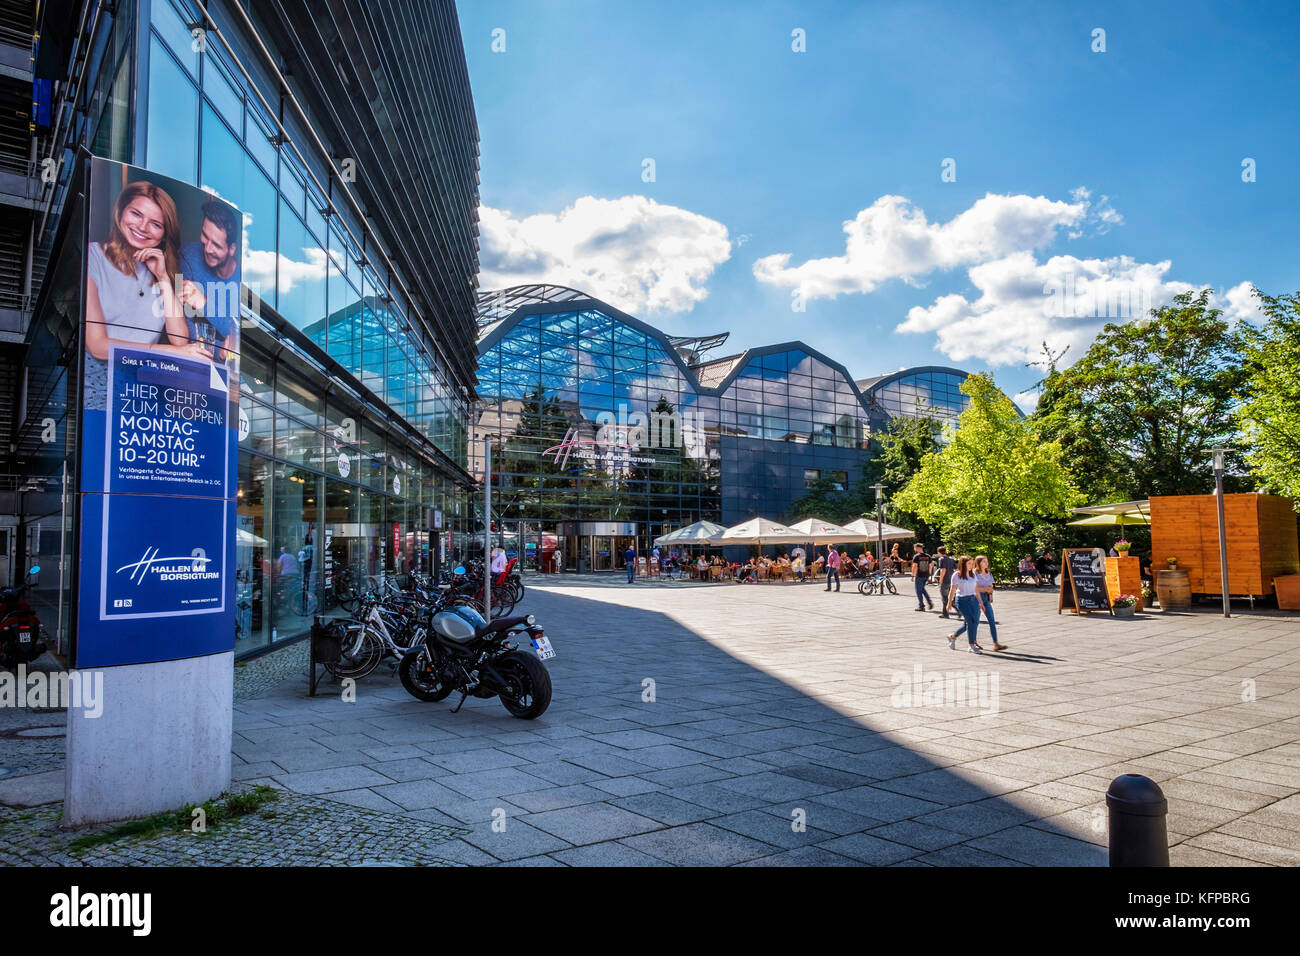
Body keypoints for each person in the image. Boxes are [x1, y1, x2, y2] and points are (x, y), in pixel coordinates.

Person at [84, 180, 211, 410]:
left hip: (143, 385)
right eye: (136, 214)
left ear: (164, 234)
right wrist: (174, 354)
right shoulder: (92, 257)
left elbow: (180, 339)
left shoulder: (160, 272)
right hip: (98, 383)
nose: (142, 227)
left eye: (155, 224)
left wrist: (162, 276)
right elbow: (97, 346)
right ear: (120, 211)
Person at [178, 198, 241, 358]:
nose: (207, 249)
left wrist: (204, 303)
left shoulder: (243, 283)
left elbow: (239, 339)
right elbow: (183, 329)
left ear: (231, 249)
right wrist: (221, 348)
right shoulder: (188, 255)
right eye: (205, 236)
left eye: (217, 245)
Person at [951, 555, 1006, 651]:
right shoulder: (973, 573)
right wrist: (984, 589)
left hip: (986, 599)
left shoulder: (988, 573)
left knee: (991, 621)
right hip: (975, 599)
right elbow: (974, 588)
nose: (986, 563)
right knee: (971, 623)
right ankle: (969, 641)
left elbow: (991, 585)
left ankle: (996, 643)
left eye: (987, 561)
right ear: (978, 563)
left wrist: (990, 589)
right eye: (984, 561)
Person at [945, 555, 984, 654]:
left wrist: (981, 602)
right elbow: (952, 590)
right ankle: (971, 646)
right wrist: (949, 603)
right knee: (970, 622)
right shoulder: (956, 575)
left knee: (972, 622)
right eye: (969, 564)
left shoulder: (973, 575)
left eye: (972, 563)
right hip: (962, 601)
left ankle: (952, 636)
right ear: (963, 564)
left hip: (973, 600)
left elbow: (976, 589)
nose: (972, 566)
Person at [911, 542, 934, 611]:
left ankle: (921, 606)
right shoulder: (928, 556)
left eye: (915, 548)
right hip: (926, 575)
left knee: (918, 591)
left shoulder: (917, 556)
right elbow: (930, 566)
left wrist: (912, 575)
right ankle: (929, 602)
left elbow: (914, 566)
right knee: (922, 589)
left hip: (919, 575)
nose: (914, 549)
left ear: (917, 548)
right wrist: (929, 574)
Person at [936, 546, 956, 619]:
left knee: (944, 597)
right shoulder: (951, 559)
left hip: (945, 580)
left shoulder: (941, 559)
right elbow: (956, 569)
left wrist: (940, 579)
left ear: (939, 552)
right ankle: (945, 613)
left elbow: (943, 570)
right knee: (948, 596)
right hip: (951, 580)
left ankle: (956, 609)